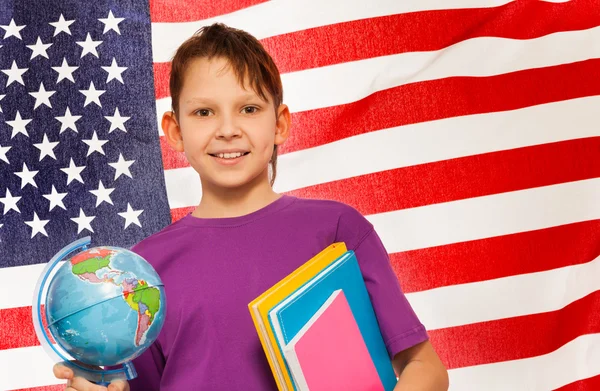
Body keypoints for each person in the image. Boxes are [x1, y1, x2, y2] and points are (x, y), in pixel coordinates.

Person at [53, 23, 449, 391]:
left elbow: (425, 368)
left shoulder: (337, 229)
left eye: (249, 108)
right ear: (175, 130)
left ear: (280, 124)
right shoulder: (141, 272)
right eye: (204, 112)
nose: (228, 129)